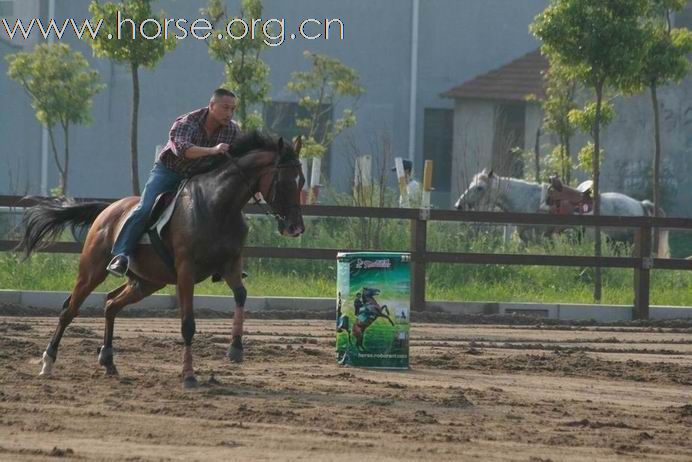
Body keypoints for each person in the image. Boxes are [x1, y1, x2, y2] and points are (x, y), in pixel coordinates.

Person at [106, 88, 241, 277]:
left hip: (197, 177)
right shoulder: (187, 122)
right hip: (169, 171)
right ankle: (121, 256)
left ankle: (225, 262)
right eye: (225, 107)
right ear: (211, 105)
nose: (230, 113)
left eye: (233, 109)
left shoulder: (233, 130)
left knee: (222, 210)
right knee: (145, 208)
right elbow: (182, 151)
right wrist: (212, 150)